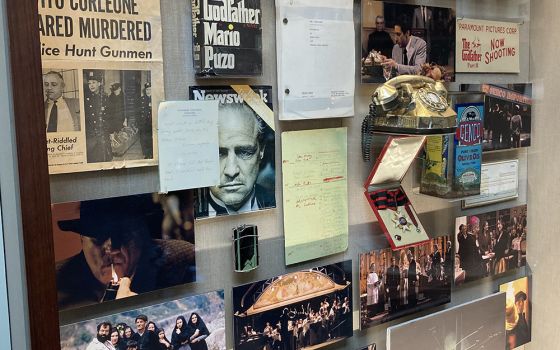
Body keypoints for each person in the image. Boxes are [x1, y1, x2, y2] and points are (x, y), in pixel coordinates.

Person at [55, 194, 196, 310]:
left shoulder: (184, 260)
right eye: (98, 238)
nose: (113, 250)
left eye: (123, 237)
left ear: (141, 236)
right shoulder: (55, 284)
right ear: (82, 239)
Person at [204, 103, 275, 217]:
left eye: (244, 152)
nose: (231, 171)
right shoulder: (185, 215)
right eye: (217, 154)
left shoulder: (278, 203)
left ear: (261, 151)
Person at [84, 70, 112, 163]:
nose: (91, 85)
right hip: (91, 133)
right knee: (93, 158)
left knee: (105, 157)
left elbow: (108, 116)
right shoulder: (86, 98)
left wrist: (110, 131)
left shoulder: (105, 98)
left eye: (94, 82)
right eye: (89, 83)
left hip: (103, 132)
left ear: (99, 83)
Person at [138, 82, 153, 159]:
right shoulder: (142, 99)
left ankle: (152, 153)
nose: (148, 91)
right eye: (147, 89)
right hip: (144, 123)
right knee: (144, 139)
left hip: (152, 123)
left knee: (151, 138)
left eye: (150, 89)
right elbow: (138, 112)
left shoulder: (155, 98)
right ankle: (146, 154)